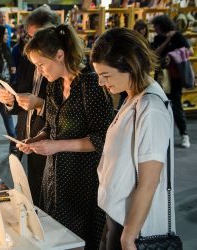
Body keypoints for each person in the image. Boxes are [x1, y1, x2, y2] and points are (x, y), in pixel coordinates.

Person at [18, 24, 114, 249]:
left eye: (41, 64)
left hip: (83, 181)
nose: (39, 71)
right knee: (53, 236)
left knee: (77, 241)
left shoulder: (91, 84)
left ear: (60, 55)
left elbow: (103, 138)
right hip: (54, 177)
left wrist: (57, 145)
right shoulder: (54, 86)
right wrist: (38, 139)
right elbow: (51, 127)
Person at [91, 27, 175, 250]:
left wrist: (128, 237)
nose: (101, 83)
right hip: (117, 215)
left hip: (131, 225)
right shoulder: (133, 99)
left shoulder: (150, 107)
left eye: (105, 75)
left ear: (130, 67)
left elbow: (149, 181)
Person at [0, 5, 57, 207]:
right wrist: (10, 100)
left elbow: (67, 110)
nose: (33, 43)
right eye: (30, 37)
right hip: (27, 136)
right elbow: (20, 92)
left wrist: (39, 104)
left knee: (49, 200)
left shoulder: (62, 66)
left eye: (38, 36)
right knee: (32, 195)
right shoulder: (27, 59)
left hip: (51, 141)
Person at [151, 14, 192, 148]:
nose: (154, 28)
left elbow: (189, 51)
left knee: (176, 105)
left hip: (174, 77)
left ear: (161, 25)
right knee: (161, 105)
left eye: (156, 26)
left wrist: (172, 55)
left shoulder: (178, 36)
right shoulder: (158, 38)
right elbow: (154, 54)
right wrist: (166, 41)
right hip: (161, 76)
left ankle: (184, 134)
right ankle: (164, 135)